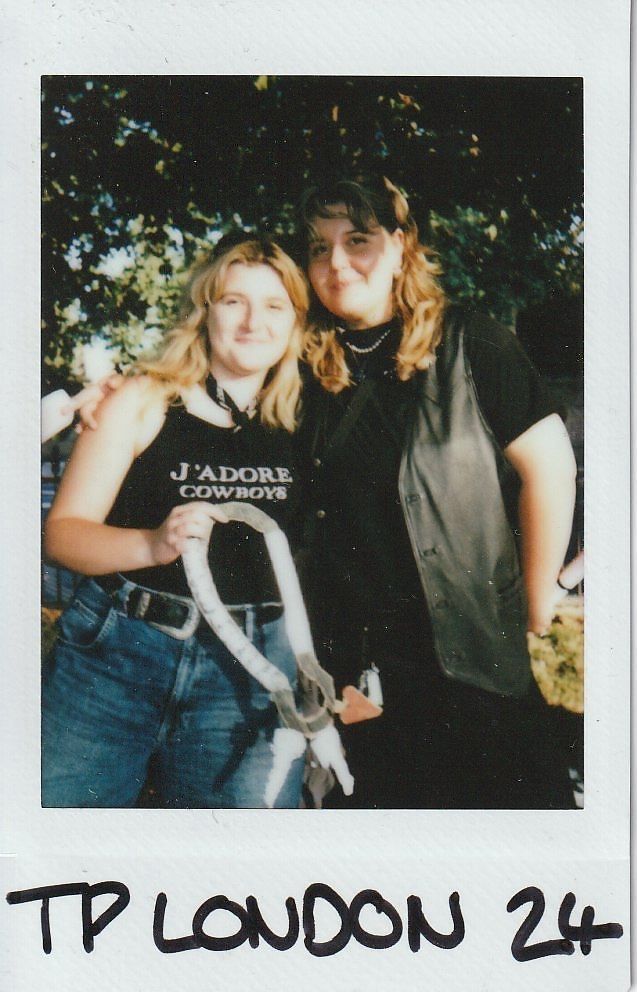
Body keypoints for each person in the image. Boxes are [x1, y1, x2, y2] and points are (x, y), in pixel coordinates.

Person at [294, 174, 578, 809]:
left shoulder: (472, 343)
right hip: (359, 677)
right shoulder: (303, 366)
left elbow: (550, 467)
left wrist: (538, 597)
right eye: (318, 247)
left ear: (400, 247)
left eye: (357, 240)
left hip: (473, 665)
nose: (336, 262)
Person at [42, 236, 310, 808]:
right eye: (234, 301)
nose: (253, 322)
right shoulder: (143, 399)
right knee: (58, 832)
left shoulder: (309, 416)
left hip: (249, 675)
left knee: (240, 857)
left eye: (274, 306)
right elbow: (63, 533)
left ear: (295, 322)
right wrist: (150, 543)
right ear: (204, 309)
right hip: (117, 658)